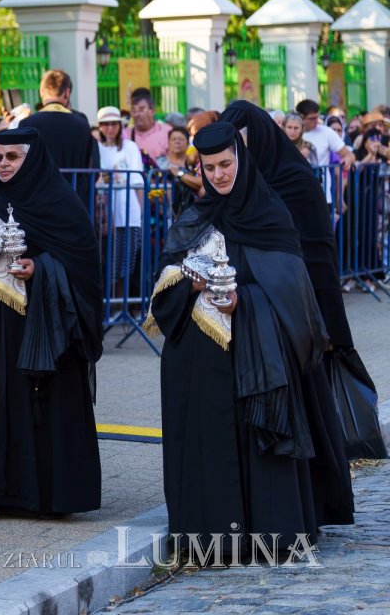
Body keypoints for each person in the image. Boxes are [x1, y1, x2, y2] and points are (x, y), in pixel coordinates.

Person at [144, 121, 352, 560]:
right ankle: (210, 536)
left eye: (225, 164)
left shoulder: (270, 215)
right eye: (209, 167)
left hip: (259, 361)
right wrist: (191, 286)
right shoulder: (192, 219)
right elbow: (164, 288)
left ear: (241, 160)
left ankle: (270, 532)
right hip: (201, 363)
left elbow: (293, 293)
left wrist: (245, 300)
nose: (218, 175)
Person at [0, 127, 103, 516]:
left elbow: (83, 269)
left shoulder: (62, 204)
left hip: (45, 327)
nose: (3, 165)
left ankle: (49, 493)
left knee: (44, 407)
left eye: (12, 157)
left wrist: (41, 267)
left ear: (32, 158)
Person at [222, 100, 383, 468]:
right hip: (257, 309)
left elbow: (317, 251)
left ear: (258, 138)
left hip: (300, 309)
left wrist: (324, 316)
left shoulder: (295, 179)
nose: (237, 153)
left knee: (308, 401)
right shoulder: (239, 181)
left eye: (241, 143)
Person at [19, 69, 98, 208]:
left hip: (37, 203)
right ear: (67, 93)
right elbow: (93, 166)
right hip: (74, 202)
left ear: (41, 91)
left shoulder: (27, 124)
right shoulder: (82, 125)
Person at [96, 106, 145, 297]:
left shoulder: (130, 147)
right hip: (105, 211)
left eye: (113, 124)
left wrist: (141, 213)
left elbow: (137, 180)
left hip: (129, 209)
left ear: (119, 125)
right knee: (108, 260)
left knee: (127, 261)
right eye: (105, 124)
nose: (109, 128)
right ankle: (110, 303)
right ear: (100, 127)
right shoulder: (96, 148)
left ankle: (123, 303)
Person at [158, 125, 202, 218]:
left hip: (192, 214)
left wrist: (179, 173)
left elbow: (201, 183)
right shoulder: (159, 162)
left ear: (187, 143)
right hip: (163, 215)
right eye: (173, 139)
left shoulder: (194, 163)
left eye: (181, 139)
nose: (177, 142)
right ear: (168, 143)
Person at [124, 88, 172, 160]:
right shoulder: (124, 134)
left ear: (152, 111)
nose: (137, 114)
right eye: (134, 110)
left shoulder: (167, 132)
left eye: (141, 109)